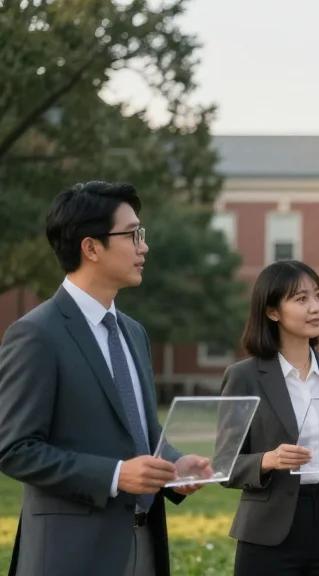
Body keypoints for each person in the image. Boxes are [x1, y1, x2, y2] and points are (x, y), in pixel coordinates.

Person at [0, 181, 203, 575]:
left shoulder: (134, 332)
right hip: (69, 556)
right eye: (132, 235)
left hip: (144, 545)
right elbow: (15, 448)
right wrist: (115, 475)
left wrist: (176, 465)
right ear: (91, 247)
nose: (143, 247)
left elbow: (139, 430)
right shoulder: (36, 334)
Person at [220, 260, 319, 576]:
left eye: (318, 295)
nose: (316, 308)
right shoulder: (245, 377)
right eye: (301, 299)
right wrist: (269, 459)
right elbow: (225, 464)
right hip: (268, 533)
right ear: (272, 312)